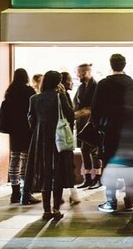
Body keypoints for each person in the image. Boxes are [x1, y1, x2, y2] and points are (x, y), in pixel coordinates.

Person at [91, 53, 133, 213]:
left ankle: (111, 201)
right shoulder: (132, 84)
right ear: (124, 65)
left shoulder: (103, 84)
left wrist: (100, 127)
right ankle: (129, 201)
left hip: (110, 133)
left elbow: (95, 111)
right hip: (130, 135)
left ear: (111, 65)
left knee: (110, 166)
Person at [25, 71, 75, 221]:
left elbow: (31, 120)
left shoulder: (34, 99)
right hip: (58, 139)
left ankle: (46, 210)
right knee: (57, 173)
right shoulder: (60, 97)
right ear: (58, 82)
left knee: (44, 173)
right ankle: (56, 209)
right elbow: (70, 115)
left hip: (40, 139)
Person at [0, 69, 39, 204]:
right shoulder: (29, 92)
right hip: (27, 130)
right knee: (26, 161)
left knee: (14, 160)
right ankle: (25, 192)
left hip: (14, 131)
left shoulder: (10, 92)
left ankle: (15, 192)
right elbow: (34, 110)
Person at [74, 63, 102, 189]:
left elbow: (93, 107)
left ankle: (97, 178)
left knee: (94, 151)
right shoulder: (81, 87)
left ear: (86, 72)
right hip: (82, 124)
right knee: (84, 150)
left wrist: (78, 113)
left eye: (79, 73)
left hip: (92, 124)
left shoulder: (96, 86)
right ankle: (87, 178)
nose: (77, 75)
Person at [59, 71, 81, 206]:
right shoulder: (63, 95)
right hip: (63, 137)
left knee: (59, 165)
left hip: (57, 138)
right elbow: (69, 115)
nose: (72, 82)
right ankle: (73, 194)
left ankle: (60, 195)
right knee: (67, 164)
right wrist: (79, 113)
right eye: (69, 80)